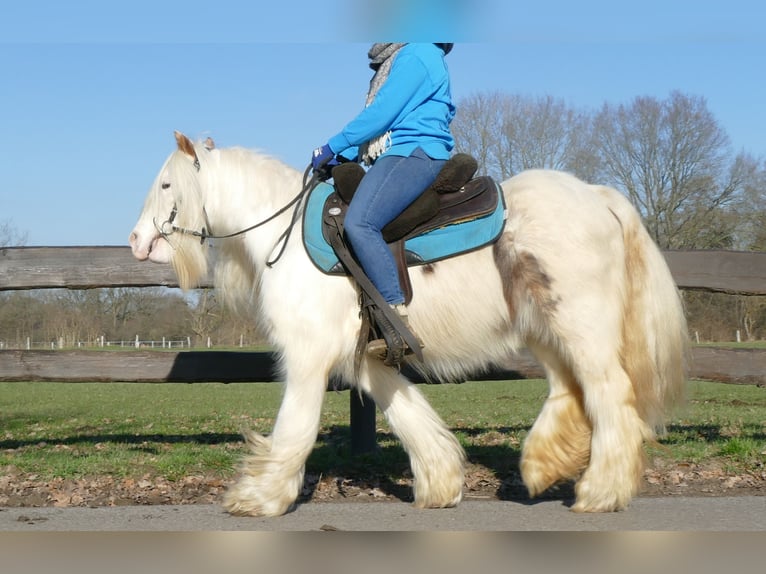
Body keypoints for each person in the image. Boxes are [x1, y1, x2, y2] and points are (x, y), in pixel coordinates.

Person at [311, 43, 455, 360]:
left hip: (415, 152)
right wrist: (344, 155)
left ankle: (396, 319)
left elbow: (382, 113)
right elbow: (382, 121)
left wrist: (333, 145)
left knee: (360, 223)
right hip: (394, 152)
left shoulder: (419, 52)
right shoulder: (399, 59)